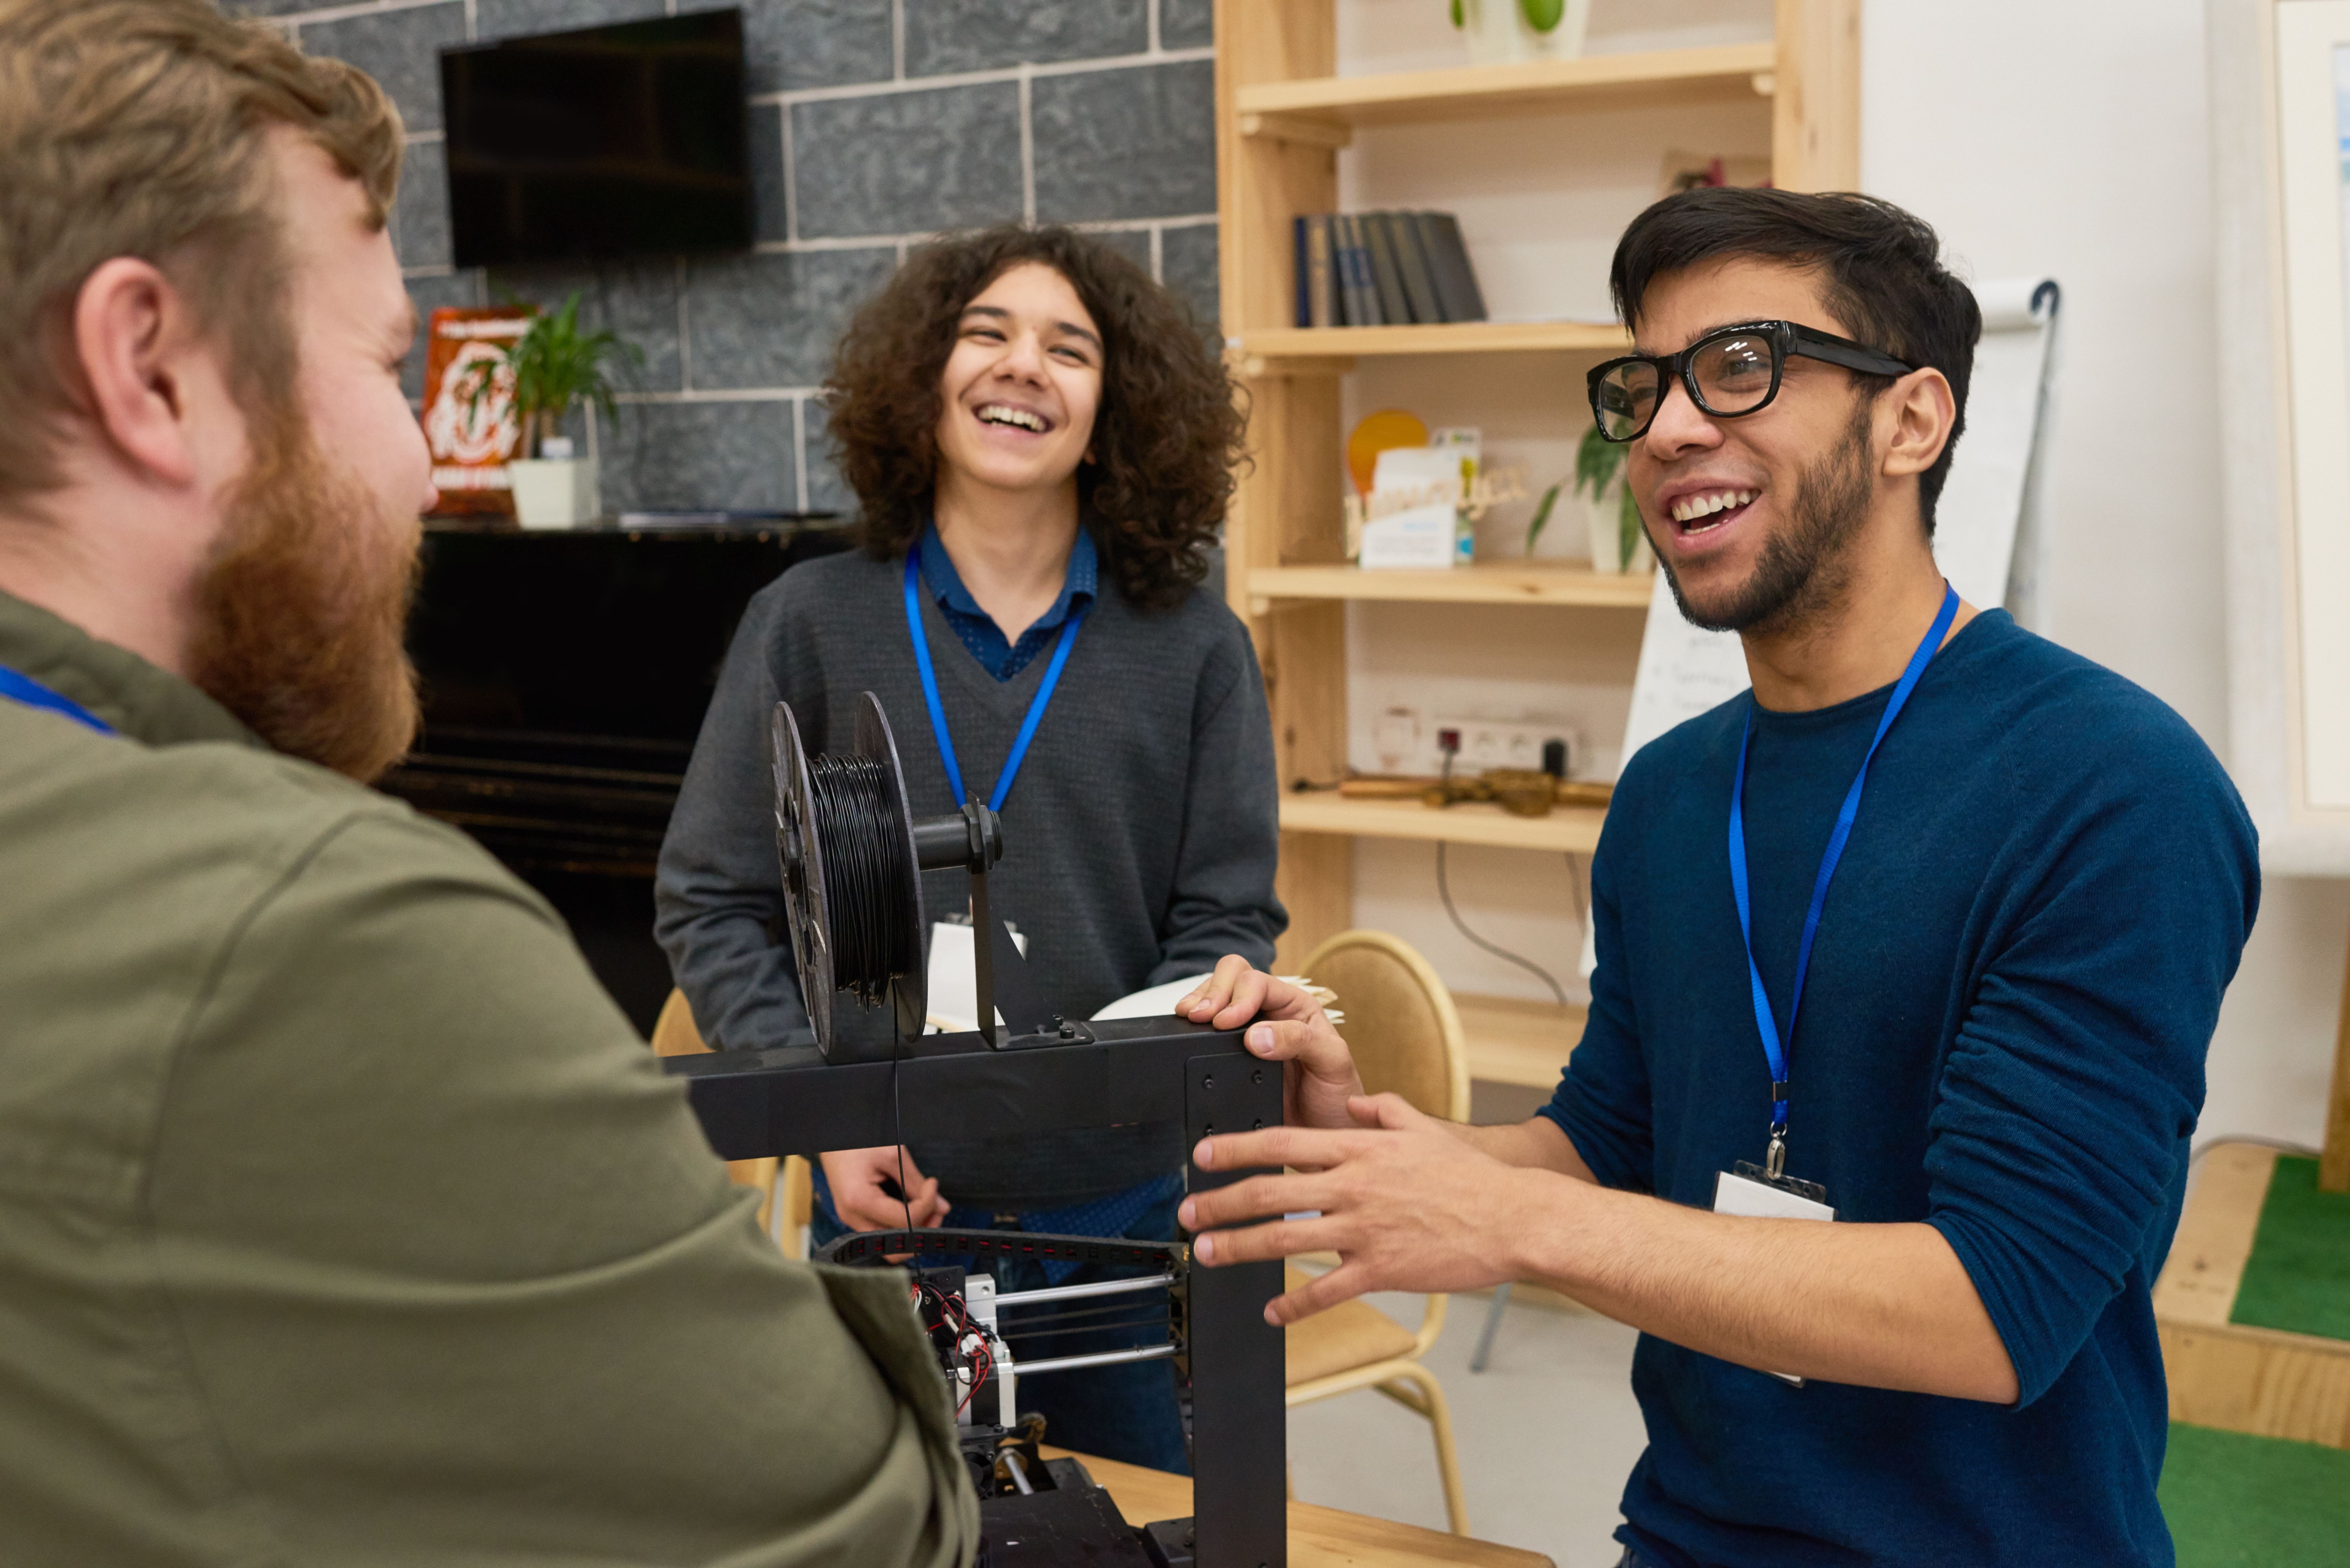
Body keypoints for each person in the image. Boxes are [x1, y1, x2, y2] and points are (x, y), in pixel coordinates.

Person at [0, 3, 976, 1562]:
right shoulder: (319, 929)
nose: (423, 464)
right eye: (393, 364)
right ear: (152, 368)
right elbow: (867, 1525)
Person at [1173, 188, 2259, 1567]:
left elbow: (1995, 1310)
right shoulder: (1674, 792)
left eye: (1741, 367)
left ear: (1909, 422)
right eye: (1645, 385)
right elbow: (1607, 1144)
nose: (1673, 426)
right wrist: (1382, 1150)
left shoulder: (2115, 789)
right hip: (1685, 1538)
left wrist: (1514, 1219)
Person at [655, 224, 1283, 1473]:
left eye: (1070, 348)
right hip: (890, 1210)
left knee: (1134, 1531)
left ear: (1115, 413)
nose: (1023, 368)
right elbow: (712, 901)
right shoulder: (806, 624)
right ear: (922, 382)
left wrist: (1218, 987)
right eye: (985, 333)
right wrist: (827, 1115)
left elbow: (1225, 918)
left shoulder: (1197, 647)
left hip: (1123, 1222)